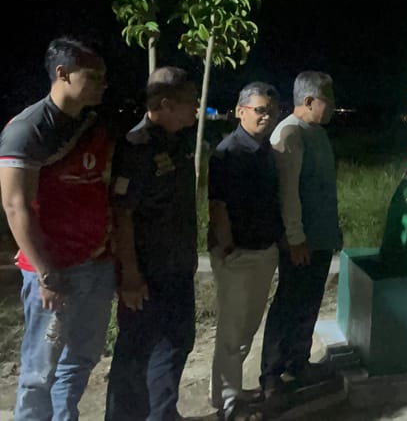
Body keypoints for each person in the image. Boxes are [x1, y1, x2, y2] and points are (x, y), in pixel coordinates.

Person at [0, 38, 113, 421]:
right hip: (54, 271)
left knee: (81, 357)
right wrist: (47, 275)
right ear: (62, 75)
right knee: (38, 371)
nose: (102, 84)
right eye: (92, 76)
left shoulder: (91, 123)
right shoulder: (29, 129)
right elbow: (15, 206)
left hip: (95, 263)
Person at [105, 67, 200, 421]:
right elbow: (123, 214)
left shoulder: (179, 141)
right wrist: (130, 273)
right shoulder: (137, 147)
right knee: (135, 352)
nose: (196, 108)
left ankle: (162, 414)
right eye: (191, 102)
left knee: (177, 343)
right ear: (165, 103)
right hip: (146, 272)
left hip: (177, 266)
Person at [260, 71, 342, 397]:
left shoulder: (316, 132)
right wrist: (295, 238)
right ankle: (271, 374)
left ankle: (298, 363)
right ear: (308, 101)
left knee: (309, 304)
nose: (334, 107)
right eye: (329, 100)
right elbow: (288, 192)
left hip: (319, 238)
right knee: (288, 305)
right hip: (300, 242)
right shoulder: (290, 133)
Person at [208, 83, 284, 420]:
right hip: (237, 254)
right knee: (231, 331)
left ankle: (232, 391)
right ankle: (228, 403)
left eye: (271, 110)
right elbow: (217, 205)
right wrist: (227, 248)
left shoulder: (266, 150)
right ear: (241, 111)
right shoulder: (228, 152)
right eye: (259, 110)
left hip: (264, 251)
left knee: (248, 326)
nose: (266, 115)